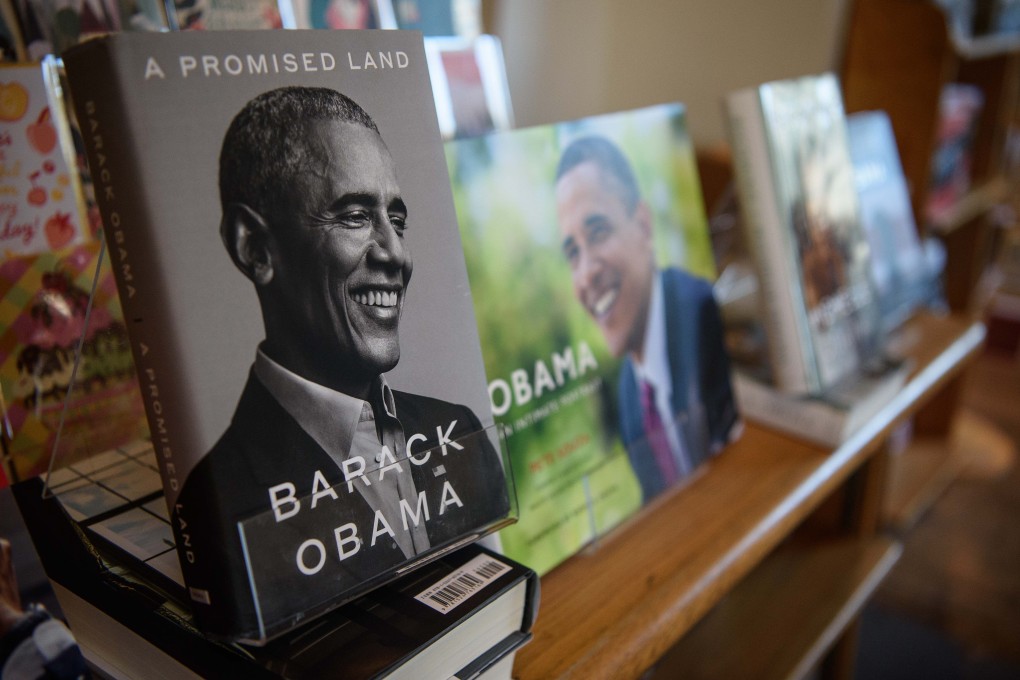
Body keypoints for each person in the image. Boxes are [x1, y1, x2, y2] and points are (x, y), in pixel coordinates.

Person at [172, 86, 507, 636]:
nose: (395, 254)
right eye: (354, 216)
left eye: (395, 221)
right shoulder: (220, 509)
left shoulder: (458, 430)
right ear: (254, 247)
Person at [555, 135, 738, 502]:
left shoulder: (702, 317)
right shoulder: (630, 396)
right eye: (573, 252)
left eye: (599, 232)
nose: (586, 272)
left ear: (642, 225)